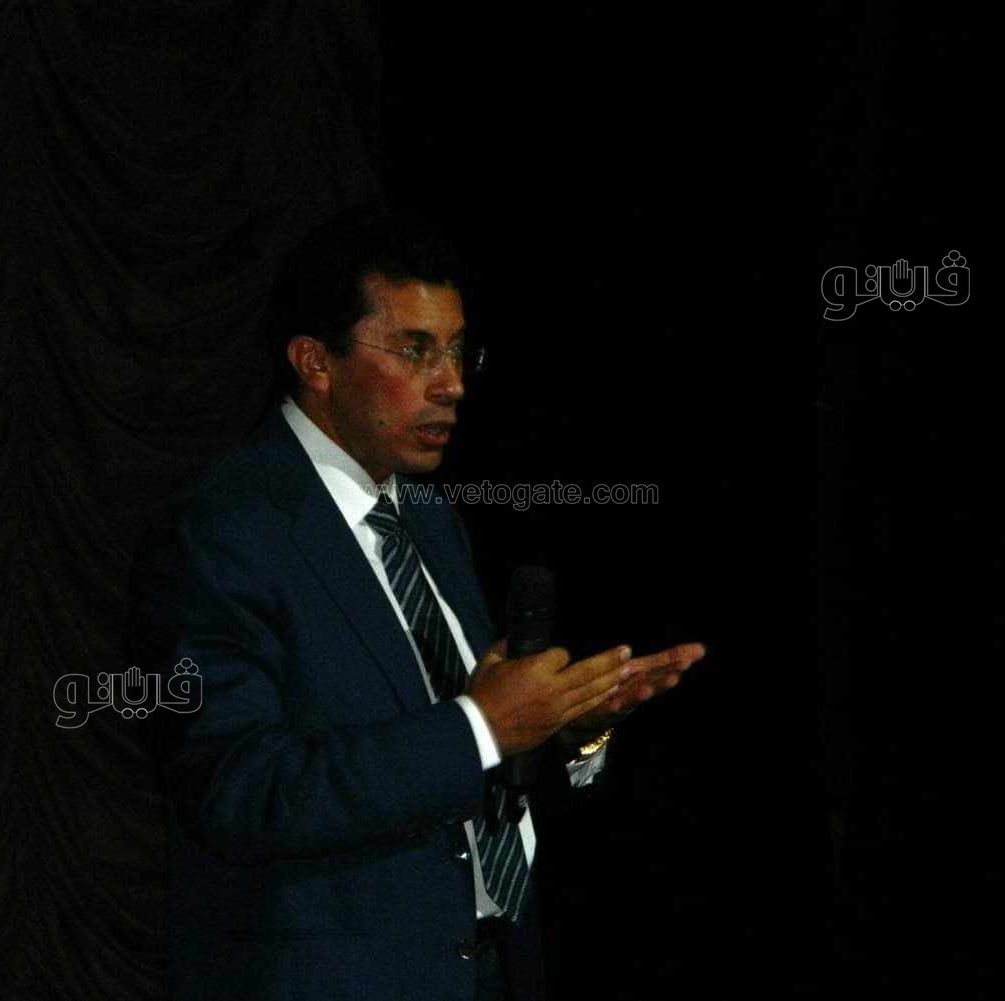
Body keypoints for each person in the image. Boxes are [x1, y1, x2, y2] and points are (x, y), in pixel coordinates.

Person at [140, 212, 704, 1001]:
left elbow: (461, 775)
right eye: (415, 351)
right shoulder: (225, 528)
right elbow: (242, 789)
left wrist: (567, 726)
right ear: (315, 361)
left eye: (458, 351)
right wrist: (483, 724)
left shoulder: (428, 520)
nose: (453, 385)